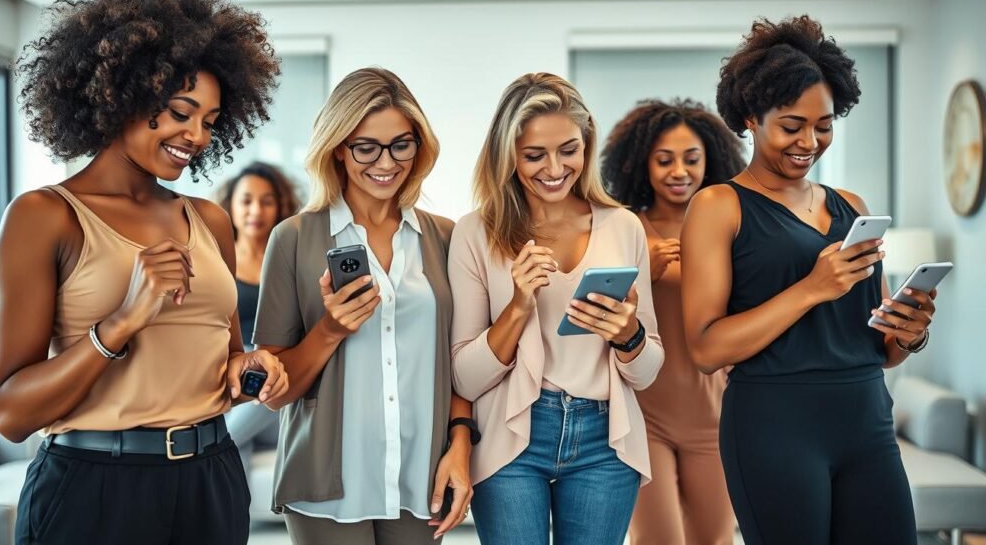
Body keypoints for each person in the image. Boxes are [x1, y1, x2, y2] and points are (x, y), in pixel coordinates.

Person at [0, 0, 287, 545]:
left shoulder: (209, 219)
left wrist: (248, 368)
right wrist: (122, 322)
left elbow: (226, 357)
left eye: (210, 121)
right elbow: (11, 414)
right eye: (180, 112)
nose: (196, 135)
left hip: (211, 478)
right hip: (94, 488)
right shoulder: (45, 216)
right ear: (121, 93)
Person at [681, 15, 938, 545]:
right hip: (773, 427)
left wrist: (909, 332)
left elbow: (881, 349)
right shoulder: (718, 206)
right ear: (751, 118)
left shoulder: (852, 206)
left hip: (867, 419)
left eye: (823, 126)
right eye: (792, 125)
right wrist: (812, 288)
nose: (809, 141)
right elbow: (706, 349)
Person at [253, 67, 474, 544]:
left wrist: (461, 445)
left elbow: (460, 362)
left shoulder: (446, 237)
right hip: (326, 485)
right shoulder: (293, 239)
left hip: (422, 476)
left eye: (401, 145)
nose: (386, 162)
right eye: (366, 147)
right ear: (338, 147)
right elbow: (273, 393)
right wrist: (330, 329)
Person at [449, 72, 665, 545]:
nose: (554, 168)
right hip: (512, 433)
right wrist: (517, 306)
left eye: (569, 150)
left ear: (586, 144)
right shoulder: (475, 233)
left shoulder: (622, 227)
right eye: (534, 155)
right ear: (507, 155)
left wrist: (627, 335)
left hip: (604, 439)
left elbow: (647, 371)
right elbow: (464, 377)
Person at [601, 98, 745, 545]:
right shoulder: (624, 229)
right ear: (640, 165)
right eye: (664, 160)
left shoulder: (730, 228)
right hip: (644, 418)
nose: (679, 171)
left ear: (710, 161)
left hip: (715, 416)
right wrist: (646, 272)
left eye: (691, 159)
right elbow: (600, 311)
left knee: (714, 540)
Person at [215, 162, 302, 476]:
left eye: (267, 201)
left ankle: (215, 442)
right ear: (231, 206)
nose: (256, 210)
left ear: (280, 207)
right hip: (229, 388)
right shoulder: (215, 261)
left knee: (265, 377)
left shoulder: (292, 260)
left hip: (278, 391)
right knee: (239, 444)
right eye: (247, 200)